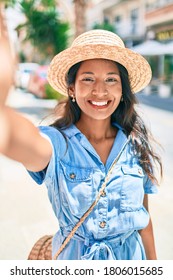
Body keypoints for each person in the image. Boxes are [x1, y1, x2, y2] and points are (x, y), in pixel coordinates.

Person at [0, 29, 162, 260]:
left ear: (122, 90)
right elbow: (14, 137)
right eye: (88, 78)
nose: (100, 90)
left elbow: (143, 220)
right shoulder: (57, 144)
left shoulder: (135, 143)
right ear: (72, 89)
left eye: (111, 79)